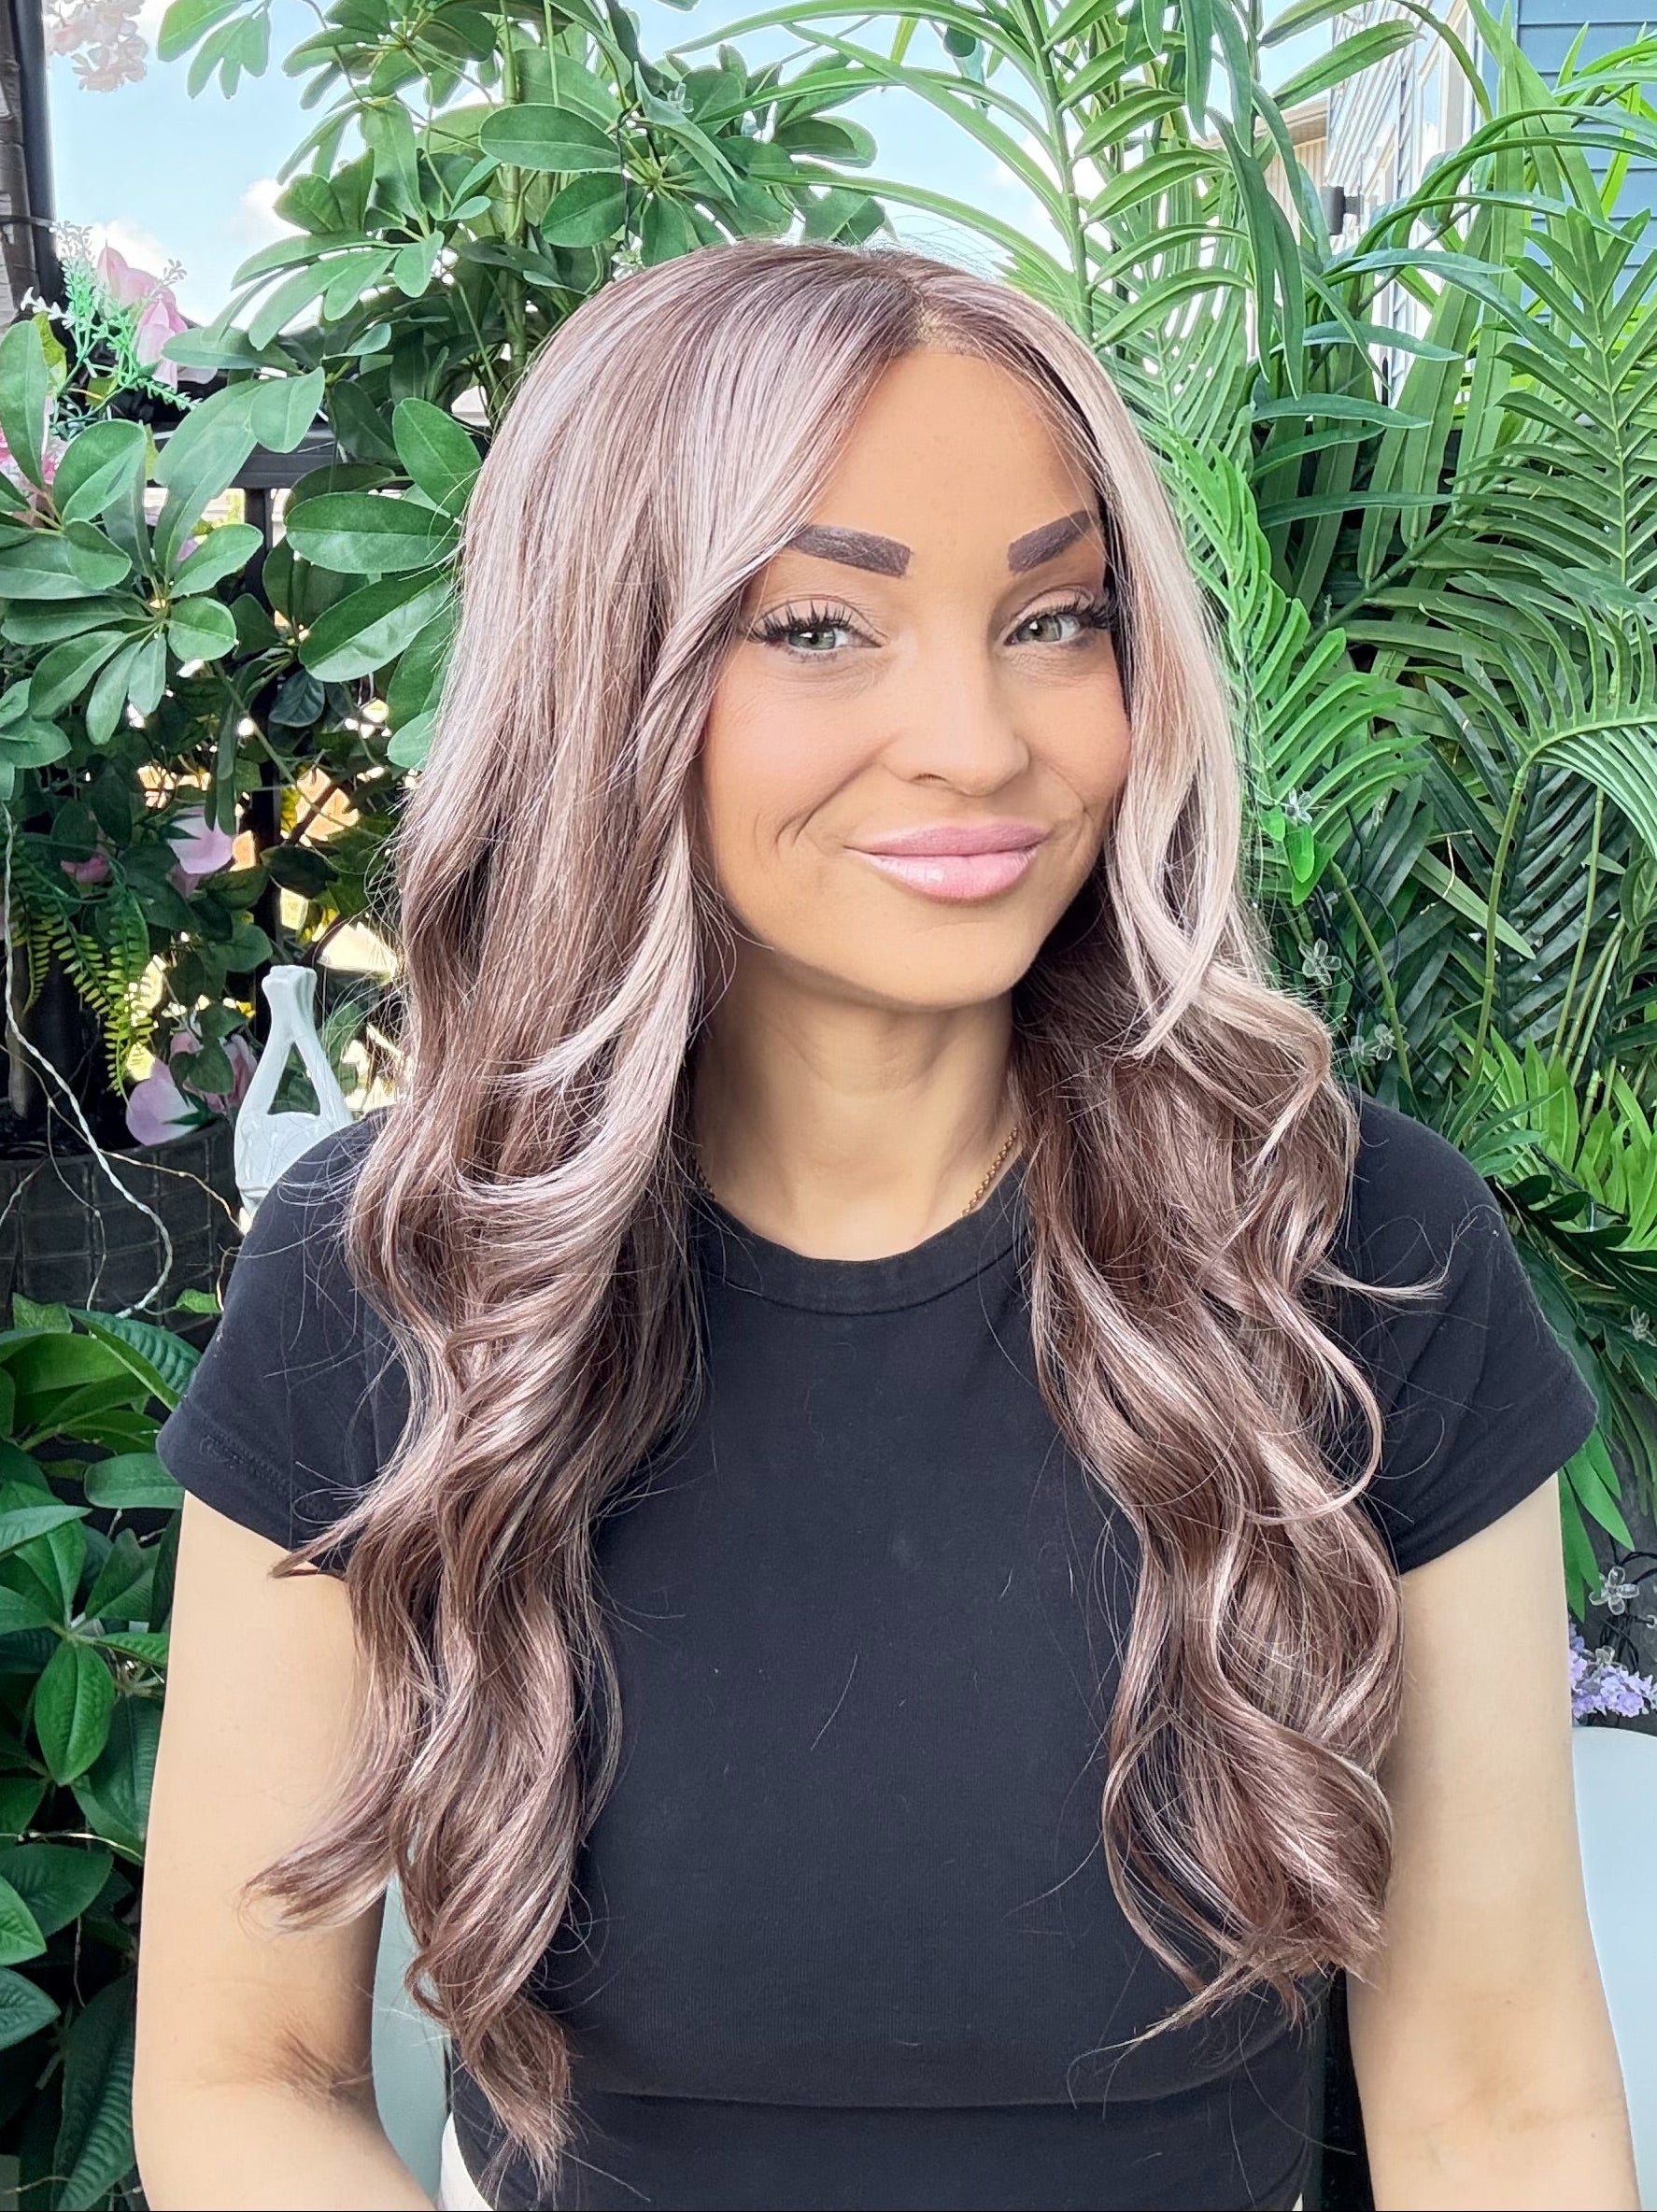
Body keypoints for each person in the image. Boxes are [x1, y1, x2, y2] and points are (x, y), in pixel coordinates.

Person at [131, 239, 1637, 2212]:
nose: (980, 738)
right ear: (614, 668)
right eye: (822, 625)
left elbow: (1492, 2101)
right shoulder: (387, 1273)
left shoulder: (1350, 1248)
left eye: (1053, 617)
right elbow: (247, 2073)